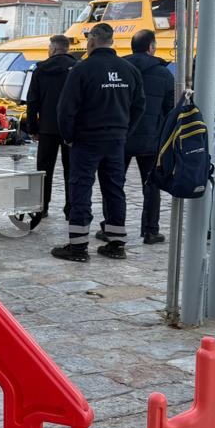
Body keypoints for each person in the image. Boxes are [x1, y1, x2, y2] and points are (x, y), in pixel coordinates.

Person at [52, 22, 145, 262]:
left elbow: (65, 109)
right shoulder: (129, 70)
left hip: (87, 140)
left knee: (81, 189)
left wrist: (68, 136)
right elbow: (139, 106)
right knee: (114, 189)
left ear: (92, 40)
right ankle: (116, 243)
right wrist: (125, 131)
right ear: (111, 41)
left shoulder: (82, 69)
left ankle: (78, 246)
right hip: (116, 140)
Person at [120, 30, 175, 245]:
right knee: (151, 185)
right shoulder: (164, 74)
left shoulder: (120, 69)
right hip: (151, 138)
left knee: (115, 183)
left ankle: (112, 226)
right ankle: (151, 230)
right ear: (151, 47)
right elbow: (170, 109)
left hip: (121, 136)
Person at [23, 35, 77, 217]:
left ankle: (42, 206)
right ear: (67, 48)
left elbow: (32, 101)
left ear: (53, 49)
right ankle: (71, 208)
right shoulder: (77, 68)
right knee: (72, 169)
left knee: (44, 169)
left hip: (47, 128)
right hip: (71, 128)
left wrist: (32, 128)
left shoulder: (40, 70)